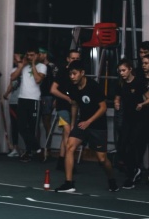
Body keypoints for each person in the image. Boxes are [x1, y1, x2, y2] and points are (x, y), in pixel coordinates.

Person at [54, 60, 119, 193]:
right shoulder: (72, 87)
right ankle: (69, 183)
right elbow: (74, 104)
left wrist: (89, 121)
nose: (72, 77)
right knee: (70, 147)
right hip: (82, 123)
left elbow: (103, 108)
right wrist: (73, 123)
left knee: (102, 159)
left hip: (98, 126)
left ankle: (112, 179)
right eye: (70, 74)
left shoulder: (94, 86)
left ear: (82, 73)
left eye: (74, 74)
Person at [114, 59, 149, 189]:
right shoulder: (120, 83)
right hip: (127, 119)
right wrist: (117, 102)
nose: (122, 73)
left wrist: (142, 104)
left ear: (130, 69)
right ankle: (133, 169)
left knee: (133, 145)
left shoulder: (139, 82)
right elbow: (117, 96)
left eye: (123, 70)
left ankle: (133, 173)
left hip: (139, 119)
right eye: (120, 71)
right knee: (122, 146)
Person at [11, 46, 46, 162]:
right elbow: (12, 78)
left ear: (37, 55)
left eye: (32, 55)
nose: (30, 57)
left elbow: (38, 80)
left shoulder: (42, 67)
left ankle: (29, 151)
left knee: (32, 128)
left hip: (34, 100)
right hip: (22, 99)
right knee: (21, 126)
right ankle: (38, 149)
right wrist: (21, 65)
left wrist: (34, 64)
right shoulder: (24, 66)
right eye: (28, 55)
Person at [50, 49, 80, 170]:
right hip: (62, 106)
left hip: (73, 107)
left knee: (67, 133)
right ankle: (68, 161)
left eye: (77, 59)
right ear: (68, 59)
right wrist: (66, 98)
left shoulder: (79, 73)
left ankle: (61, 161)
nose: (75, 60)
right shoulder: (62, 72)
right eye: (73, 58)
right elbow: (53, 90)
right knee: (68, 132)